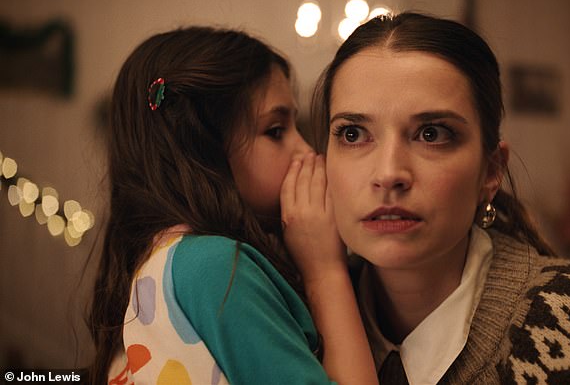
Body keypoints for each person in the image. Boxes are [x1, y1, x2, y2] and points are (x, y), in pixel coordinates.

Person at [309, 12, 570, 384]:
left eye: (431, 134)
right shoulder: (290, 317)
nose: (388, 174)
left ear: (491, 171)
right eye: (353, 134)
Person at [89, 26, 377, 384]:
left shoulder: (165, 260)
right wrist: (325, 269)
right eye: (275, 130)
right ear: (203, 148)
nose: (306, 151)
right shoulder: (214, 267)